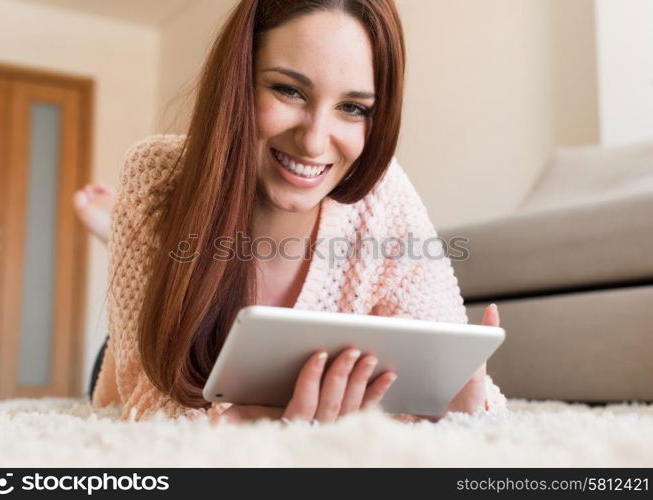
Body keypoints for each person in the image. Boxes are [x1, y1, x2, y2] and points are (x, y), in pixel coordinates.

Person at [86, 0, 507, 425]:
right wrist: (249, 425)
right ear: (239, 81)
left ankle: (115, 226)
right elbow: (144, 401)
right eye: (289, 90)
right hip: (155, 353)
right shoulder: (158, 177)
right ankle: (122, 227)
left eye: (353, 107)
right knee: (123, 353)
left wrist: (463, 411)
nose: (314, 142)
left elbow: (466, 397)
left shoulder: (385, 196)